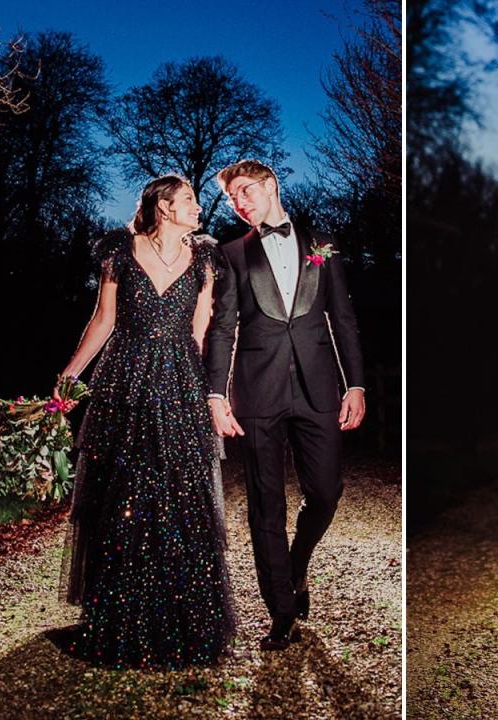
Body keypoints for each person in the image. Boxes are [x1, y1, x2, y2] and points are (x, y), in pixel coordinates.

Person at [56, 175, 236, 669]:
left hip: (179, 382)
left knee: (178, 496)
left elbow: (201, 332)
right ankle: (121, 616)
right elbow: (103, 321)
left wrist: (209, 396)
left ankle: (178, 617)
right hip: (126, 382)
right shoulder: (119, 250)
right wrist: (71, 373)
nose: (199, 209)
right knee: (126, 495)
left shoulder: (205, 259)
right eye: (190, 201)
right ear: (163, 206)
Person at [204, 160, 365, 651]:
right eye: (233, 198)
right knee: (264, 504)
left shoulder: (322, 241)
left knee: (326, 491)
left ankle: (296, 567)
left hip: (319, 387)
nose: (240, 202)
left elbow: (342, 315)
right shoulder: (232, 254)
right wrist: (215, 392)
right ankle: (281, 611)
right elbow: (222, 326)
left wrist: (356, 385)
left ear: (271, 185)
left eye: (246, 191)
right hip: (257, 391)